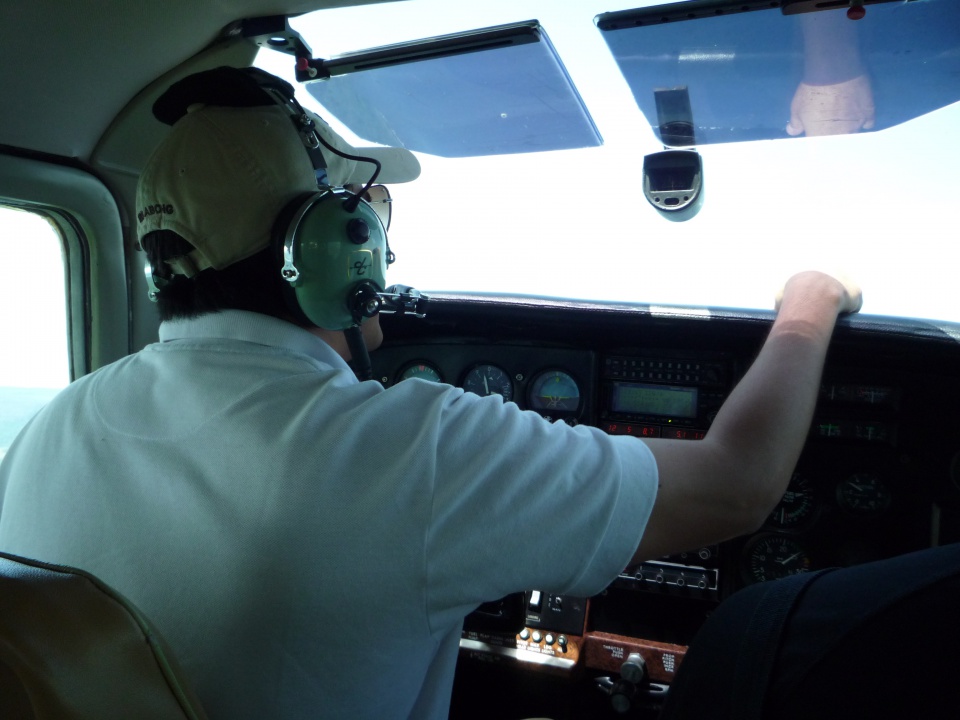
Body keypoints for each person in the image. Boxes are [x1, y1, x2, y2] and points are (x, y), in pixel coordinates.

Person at [0, 66, 861, 719]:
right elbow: (738, 481)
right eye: (365, 215)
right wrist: (810, 302)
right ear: (336, 244)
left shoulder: (48, 427)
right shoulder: (407, 447)